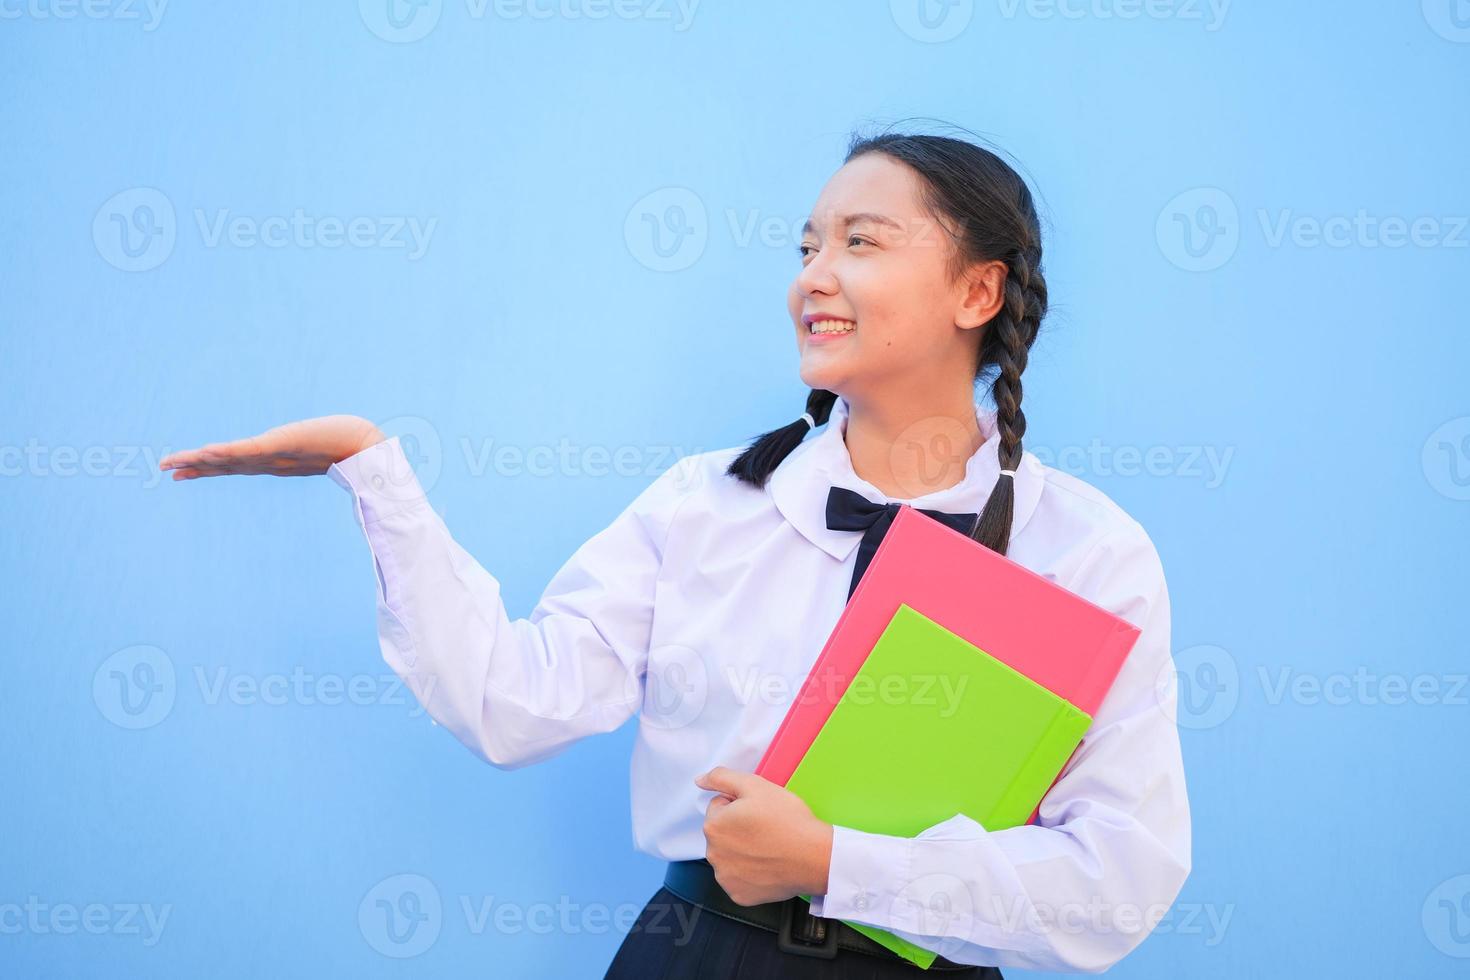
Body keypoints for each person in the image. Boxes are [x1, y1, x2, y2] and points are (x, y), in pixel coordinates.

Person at [159, 127, 1191, 977]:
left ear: (977, 293)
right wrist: (373, 472)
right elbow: (508, 703)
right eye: (804, 248)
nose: (813, 279)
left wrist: (838, 861)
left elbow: (1119, 880)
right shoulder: (706, 506)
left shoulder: (1085, 552)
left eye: (861, 243)